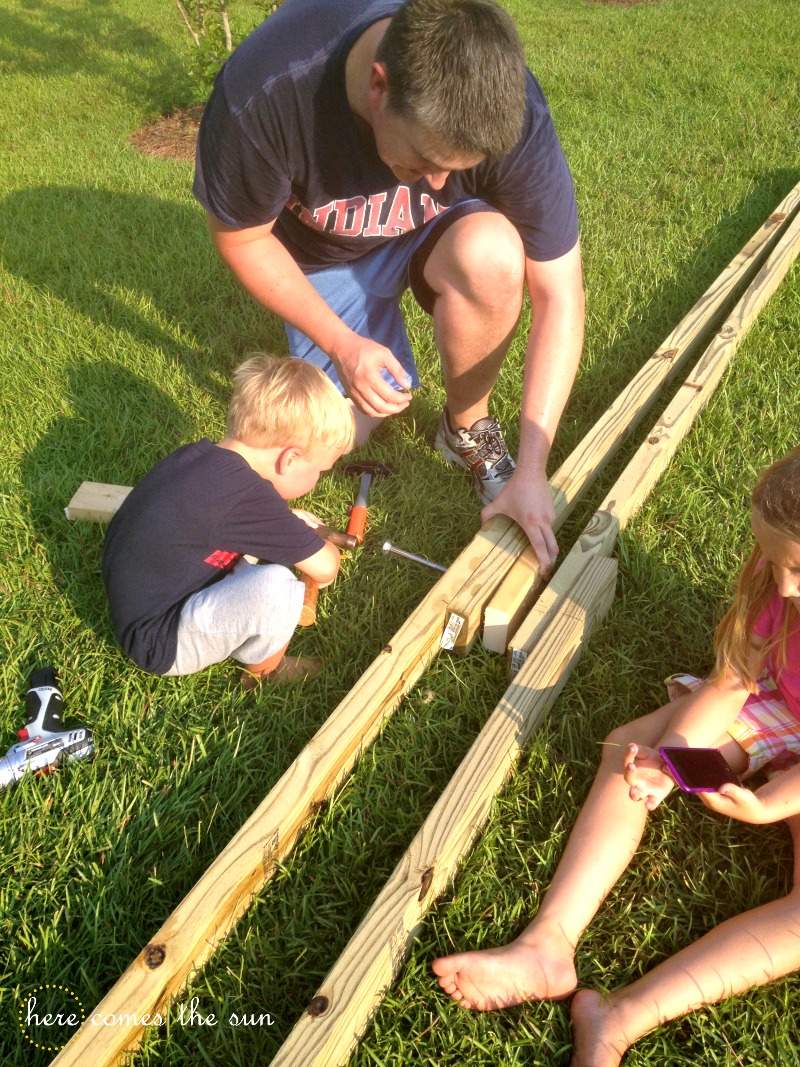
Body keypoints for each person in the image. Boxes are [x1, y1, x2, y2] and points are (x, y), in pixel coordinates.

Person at [433, 445, 800, 1065]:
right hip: (781, 699)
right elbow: (734, 682)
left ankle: (622, 1015)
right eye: (774, 562)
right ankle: (548, 946)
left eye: (797, 568)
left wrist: (771, 806)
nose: (784, 586)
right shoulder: (779, 588)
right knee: (635, 753)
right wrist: (676, 759)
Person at [193, 0, 584, 572]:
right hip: (322, 260)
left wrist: (531, 472)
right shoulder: (265, 93)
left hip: (437, 239)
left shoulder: (506, 105)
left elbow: (561, 295)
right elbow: (243, 240)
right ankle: (360, 345)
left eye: (459, 166)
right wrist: (341, 343)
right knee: (338, 435)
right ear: (378, 85)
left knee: (494, 255)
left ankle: (467, 427)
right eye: (424, 159)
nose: (441, 181)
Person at [102, 355, 356, 686]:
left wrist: (284, 522)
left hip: (139, 600)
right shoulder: (245, 498)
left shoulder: (201, 458)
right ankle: (264, 673)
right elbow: (326, 568)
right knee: (278, 590)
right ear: (290, 458)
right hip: (159, 640)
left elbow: (218, 515)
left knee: (263, 554)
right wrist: (311, 543)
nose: (318, 479)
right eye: (320, 471)